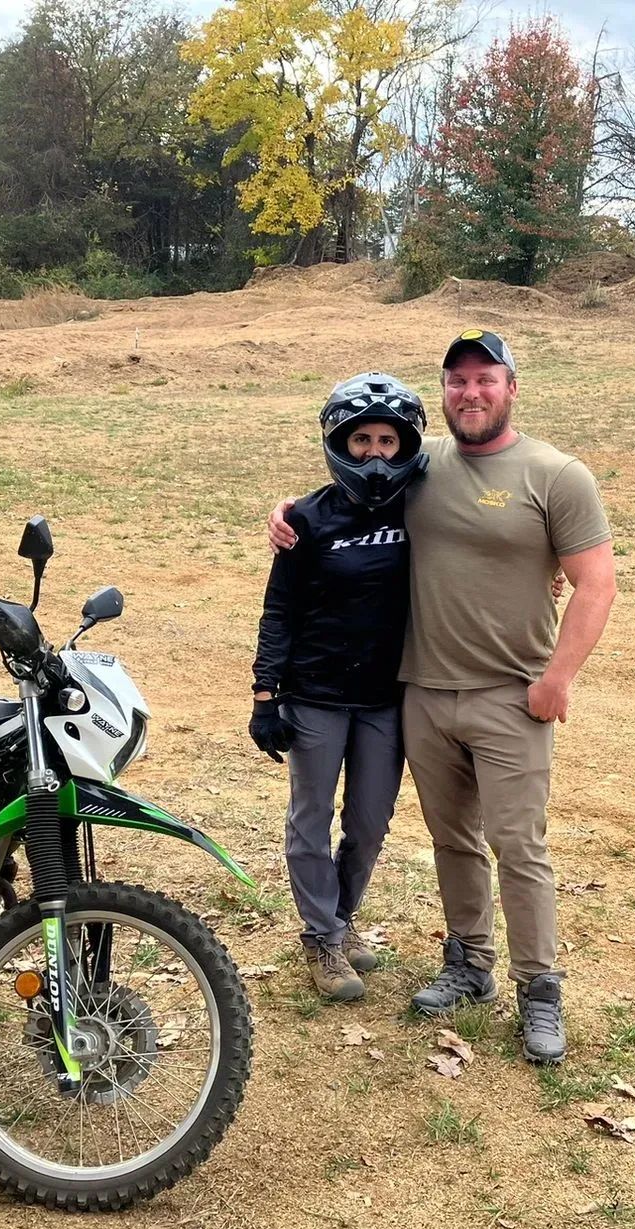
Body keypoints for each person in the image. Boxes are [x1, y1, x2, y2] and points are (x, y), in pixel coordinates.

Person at [269, 329, 616, 1065]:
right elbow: (348, 490)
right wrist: (285, 512)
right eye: (457, 382)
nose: (471, 393)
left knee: (519, 847)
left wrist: (558, 679)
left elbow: (597, 582)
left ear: (511, 386)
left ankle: (540, 990)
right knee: (452, 840)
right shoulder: (418, 471)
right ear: (444, 396)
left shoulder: (556, 475)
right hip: (420, 694)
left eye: (485, 379)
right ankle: (468, 964)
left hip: (510, 696)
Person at [250, 373, 430, 1003]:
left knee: (371, 820)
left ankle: (341, 916)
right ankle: (322, 937)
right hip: (315, 694)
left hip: (387, 695)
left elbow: (495, 525)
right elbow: (279, 610)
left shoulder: (424, 509)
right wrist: (265, 696)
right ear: (337, 441)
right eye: (361, 440)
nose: (375, 454)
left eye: (388, 439)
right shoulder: (306, 519)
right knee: (311, 818)